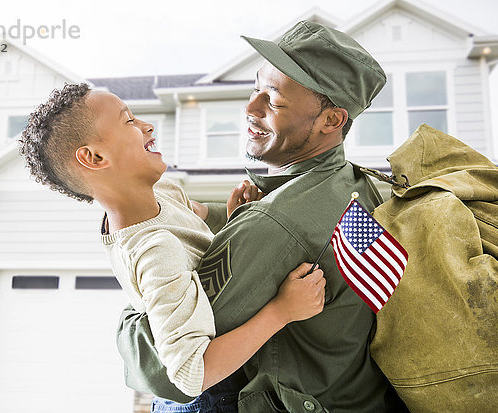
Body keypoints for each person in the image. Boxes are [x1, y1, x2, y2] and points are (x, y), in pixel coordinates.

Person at [117, 20, 408, 412]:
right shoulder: (359, 188)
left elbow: (164, 371)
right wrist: (231, 221)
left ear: (331, 121)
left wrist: (135, 297)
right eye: (256, 88)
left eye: (273, 100)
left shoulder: (274, 224)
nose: (250, 108)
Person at [18, 83, 327, 404]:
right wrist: (283, 311)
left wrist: (237, 217)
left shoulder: (161, 193)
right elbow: (191, 374)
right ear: (94, 157)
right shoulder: (154, 249)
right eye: (128, 121)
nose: (146, 125)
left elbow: (205, 218)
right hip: (208, 398)